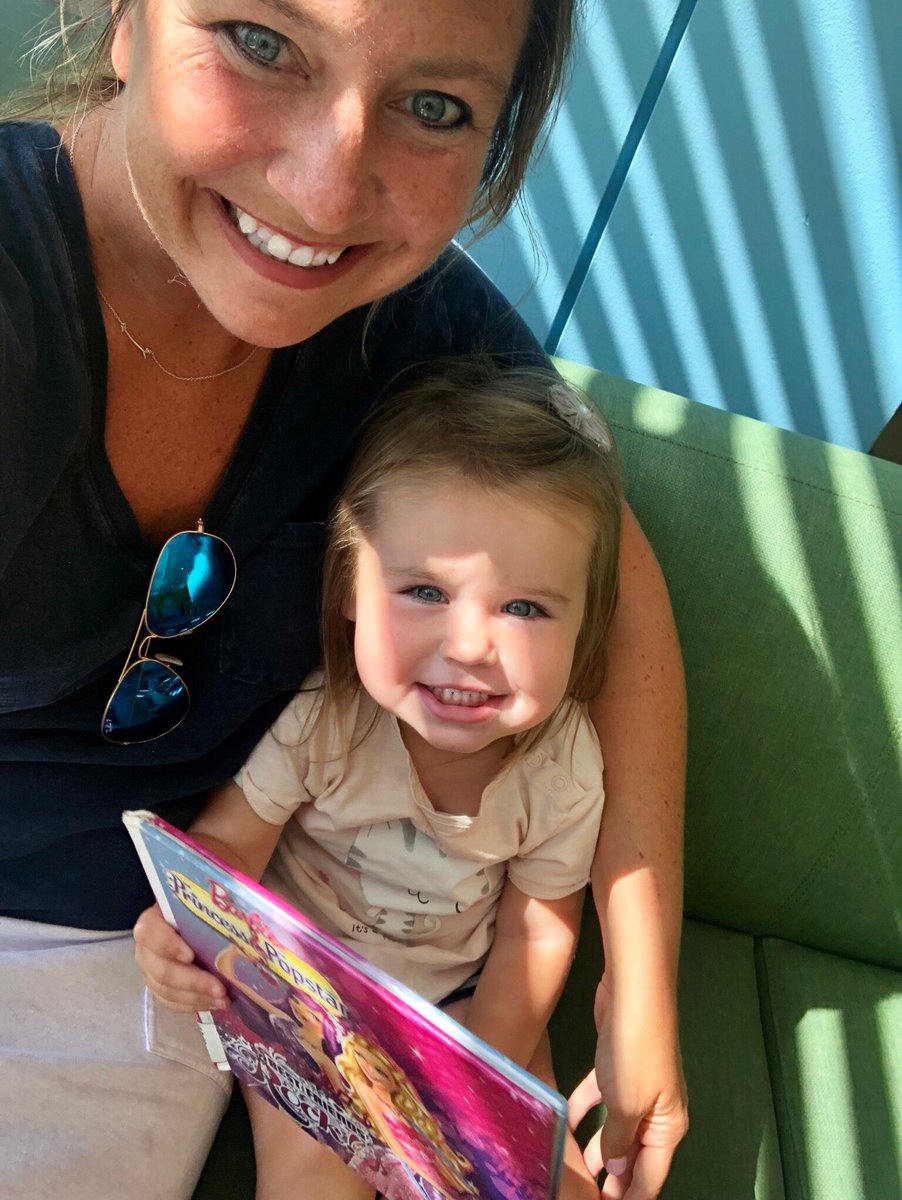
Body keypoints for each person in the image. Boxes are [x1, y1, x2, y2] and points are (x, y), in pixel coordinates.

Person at [0, 2, 687, 1198]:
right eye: (260, 42)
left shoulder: (420, 343)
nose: (324, 190)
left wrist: (637, 983)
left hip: (147, 956)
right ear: (123, 20)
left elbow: (609, 581)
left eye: (434, 107)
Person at [135, 358, 622, 1200]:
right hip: (306, 998)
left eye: (526, 608)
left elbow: (536, 933)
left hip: (468, 1005)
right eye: (425, 590)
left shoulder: (565, 767)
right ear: (351, 588)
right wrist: (174, 927)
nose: (471, 645)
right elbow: (226, 847)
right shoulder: (329, 716)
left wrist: (469, 1085)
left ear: (587, 628)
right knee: (310, 1179)